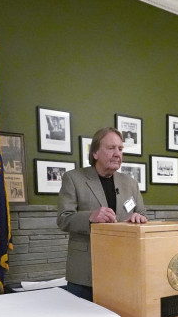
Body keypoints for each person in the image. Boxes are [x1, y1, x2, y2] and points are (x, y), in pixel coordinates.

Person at [57, 126, 147, 301]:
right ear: (95, 153)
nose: (117, 154)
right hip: (86, 272)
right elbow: (63, 219)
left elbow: (142, 213)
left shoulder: (130, 183)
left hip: (123, 270)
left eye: (120, 149)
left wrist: (140, 218)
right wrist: (90, 217)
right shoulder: (74, 178)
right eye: (111, 148)